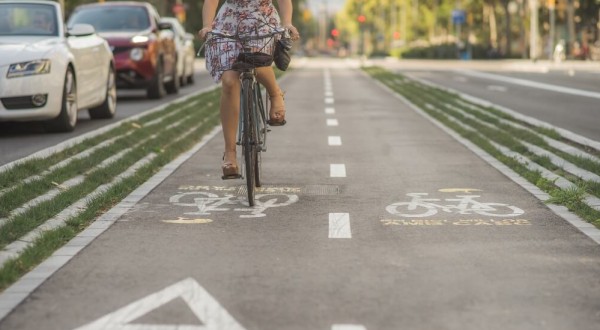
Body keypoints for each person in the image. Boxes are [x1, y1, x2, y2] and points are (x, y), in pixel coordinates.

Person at [198, 0, 300, 178]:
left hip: (262, 22)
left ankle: (275, 94)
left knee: (256, 61)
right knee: (229, 81)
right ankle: (230, 154)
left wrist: (287, 23)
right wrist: (207, 26)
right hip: (228, 24)